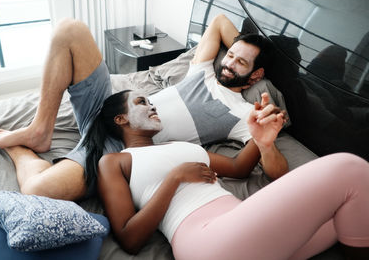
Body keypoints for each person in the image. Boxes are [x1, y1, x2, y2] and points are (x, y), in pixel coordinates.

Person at [0, 14, 287, 200]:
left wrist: (267, 137)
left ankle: (15, 147)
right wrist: (250, 46)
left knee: (37, 190)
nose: (228, 63)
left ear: (256, 74)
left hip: (118, 145)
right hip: (110, 108)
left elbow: (276, 170)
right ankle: (41, 130)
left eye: (240, 62)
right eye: (229, 54)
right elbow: (218, 21)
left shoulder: (242, 115)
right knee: (70, 30)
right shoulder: (202, 69)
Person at [83, 89, 369, 260]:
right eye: (142, 102)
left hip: (247, 233)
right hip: (206, 241)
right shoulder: (114, 161)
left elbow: (239, 169)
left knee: (348, 210)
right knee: (350, 168)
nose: (153, 105)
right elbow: (129, 240)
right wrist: (175, 178)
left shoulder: (181, 146)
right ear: (120, 120)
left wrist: (260, 138)